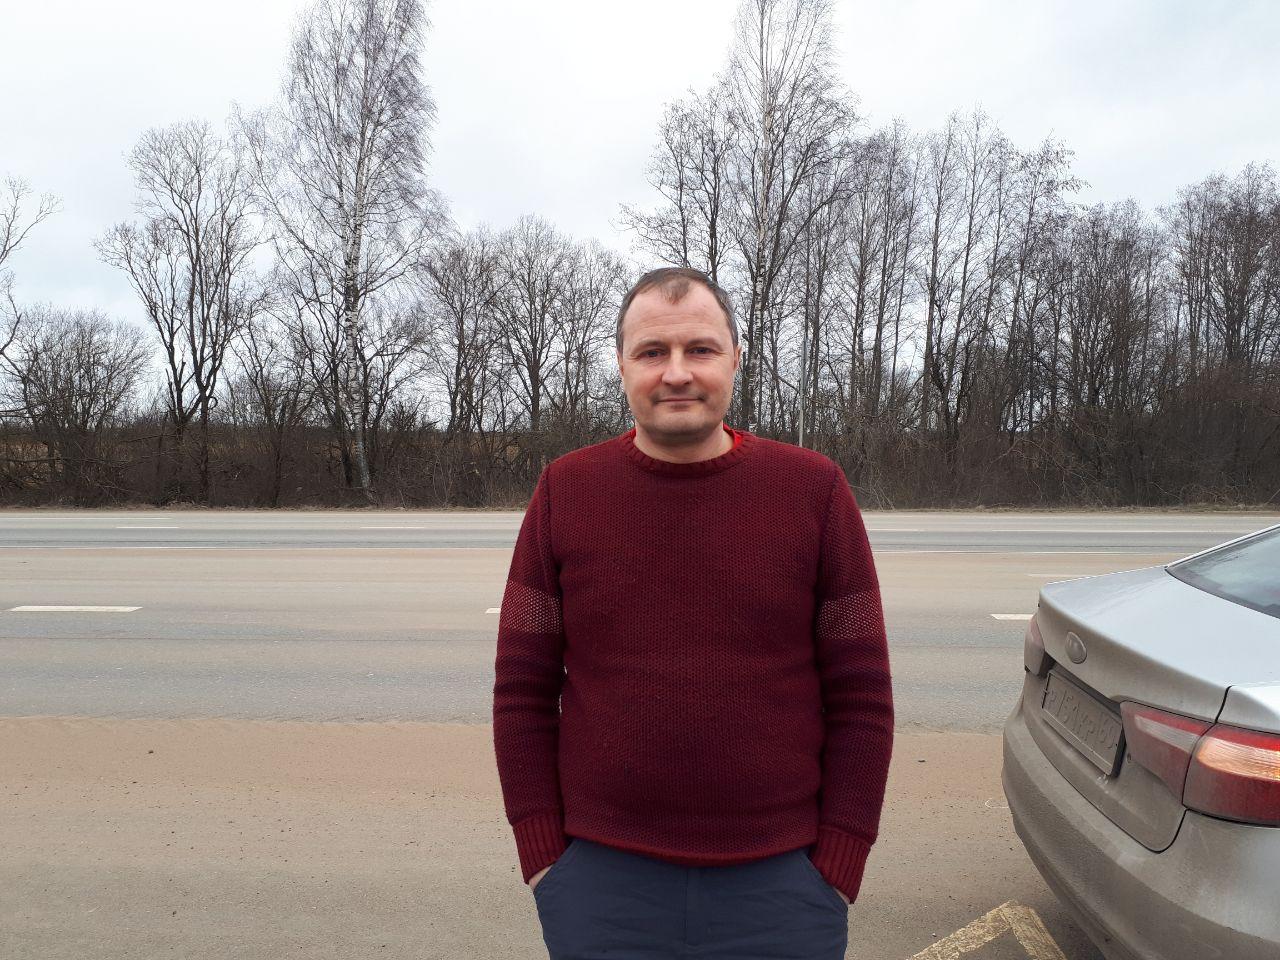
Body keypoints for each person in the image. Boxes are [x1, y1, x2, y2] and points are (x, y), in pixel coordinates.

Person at [492, 266, 894, 959]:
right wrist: (544, 855)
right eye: (652, 352)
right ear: (622, 365)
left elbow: (862, 695)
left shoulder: (815, 491)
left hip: (783, 886)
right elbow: (521, 691)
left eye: (699, 349)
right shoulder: (564, 491)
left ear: (735, 358)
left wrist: (840, 859)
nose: (676, 372)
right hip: (600, 886)